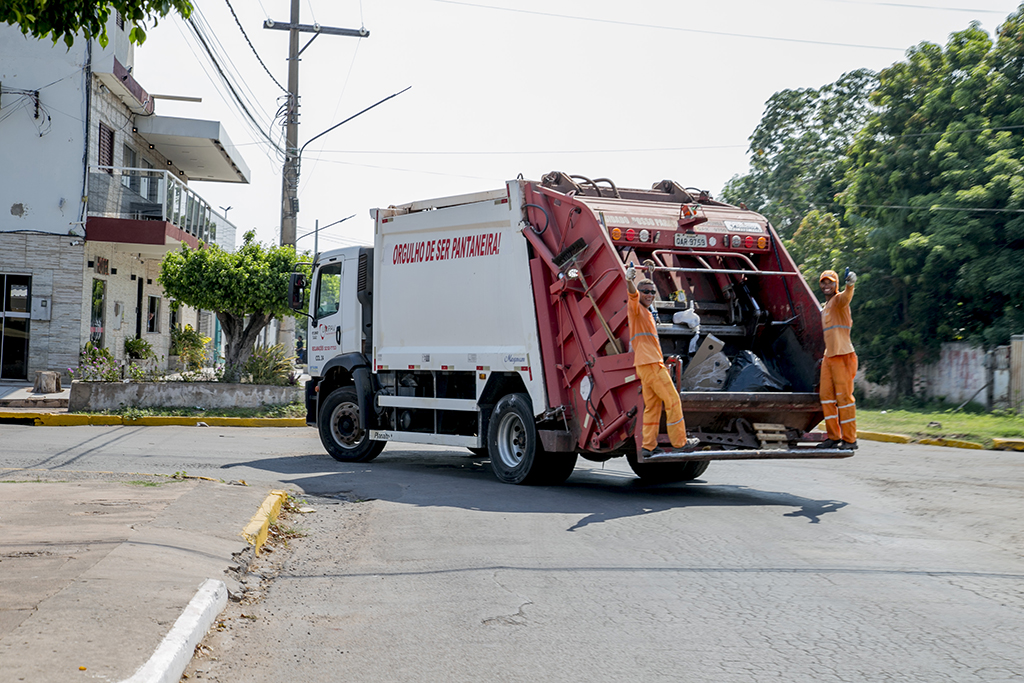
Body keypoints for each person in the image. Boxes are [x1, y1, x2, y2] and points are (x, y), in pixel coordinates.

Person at [626, 260, 700, 457]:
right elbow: (633, 295)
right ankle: (680, 442)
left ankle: (648, 446)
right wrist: (631, 280)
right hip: (650, 363)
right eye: (646, 292)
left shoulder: (646, 312)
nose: (650, 295)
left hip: (645, 364)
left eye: (652, 292)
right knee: (673, 400)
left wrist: (649, 274)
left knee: (653, 406)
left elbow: (646, 299)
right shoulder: (635, 309)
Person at [817, 268, 858, 450]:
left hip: (843, 355)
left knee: (844, 398)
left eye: (830, 282)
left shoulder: (839, 301)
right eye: (824, 282)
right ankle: (833, 437)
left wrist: (850, 284)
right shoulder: (825, 308)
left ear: (836, 285)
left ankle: (850, 440)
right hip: (830, 356)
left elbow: (847, 296)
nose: (827, 285)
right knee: (826, 397)